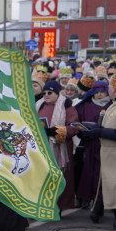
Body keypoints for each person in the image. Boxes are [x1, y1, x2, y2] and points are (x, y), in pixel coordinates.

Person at [75, 75, 116, 231]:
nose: (105, 93)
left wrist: (99, 132)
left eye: (107, 89)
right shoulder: (113, 105)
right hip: (103, 152)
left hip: (114, 156)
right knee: (107, 188)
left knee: (115, 192)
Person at [37, 80, 78, 210]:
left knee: (60, 178)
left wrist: (57, 131)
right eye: (44, 92)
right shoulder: (38, 105)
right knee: (42, 178)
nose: (46, 95)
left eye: (50, 92)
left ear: (57, 93)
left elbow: (75, 127)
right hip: (41, 149)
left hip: (60, 149)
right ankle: (43, 205)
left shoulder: (67, 107)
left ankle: (59, 206)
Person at [73, 80, 111, 214]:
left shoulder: (112, 106)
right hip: (87, 146)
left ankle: (100, 204)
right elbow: (75, 121)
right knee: (86, 174)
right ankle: (84, 198)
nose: (99, 95)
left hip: (106, 146)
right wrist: (81, 132)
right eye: (97, 92)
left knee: (102, 177)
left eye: (102, 92)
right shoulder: (85, 105)